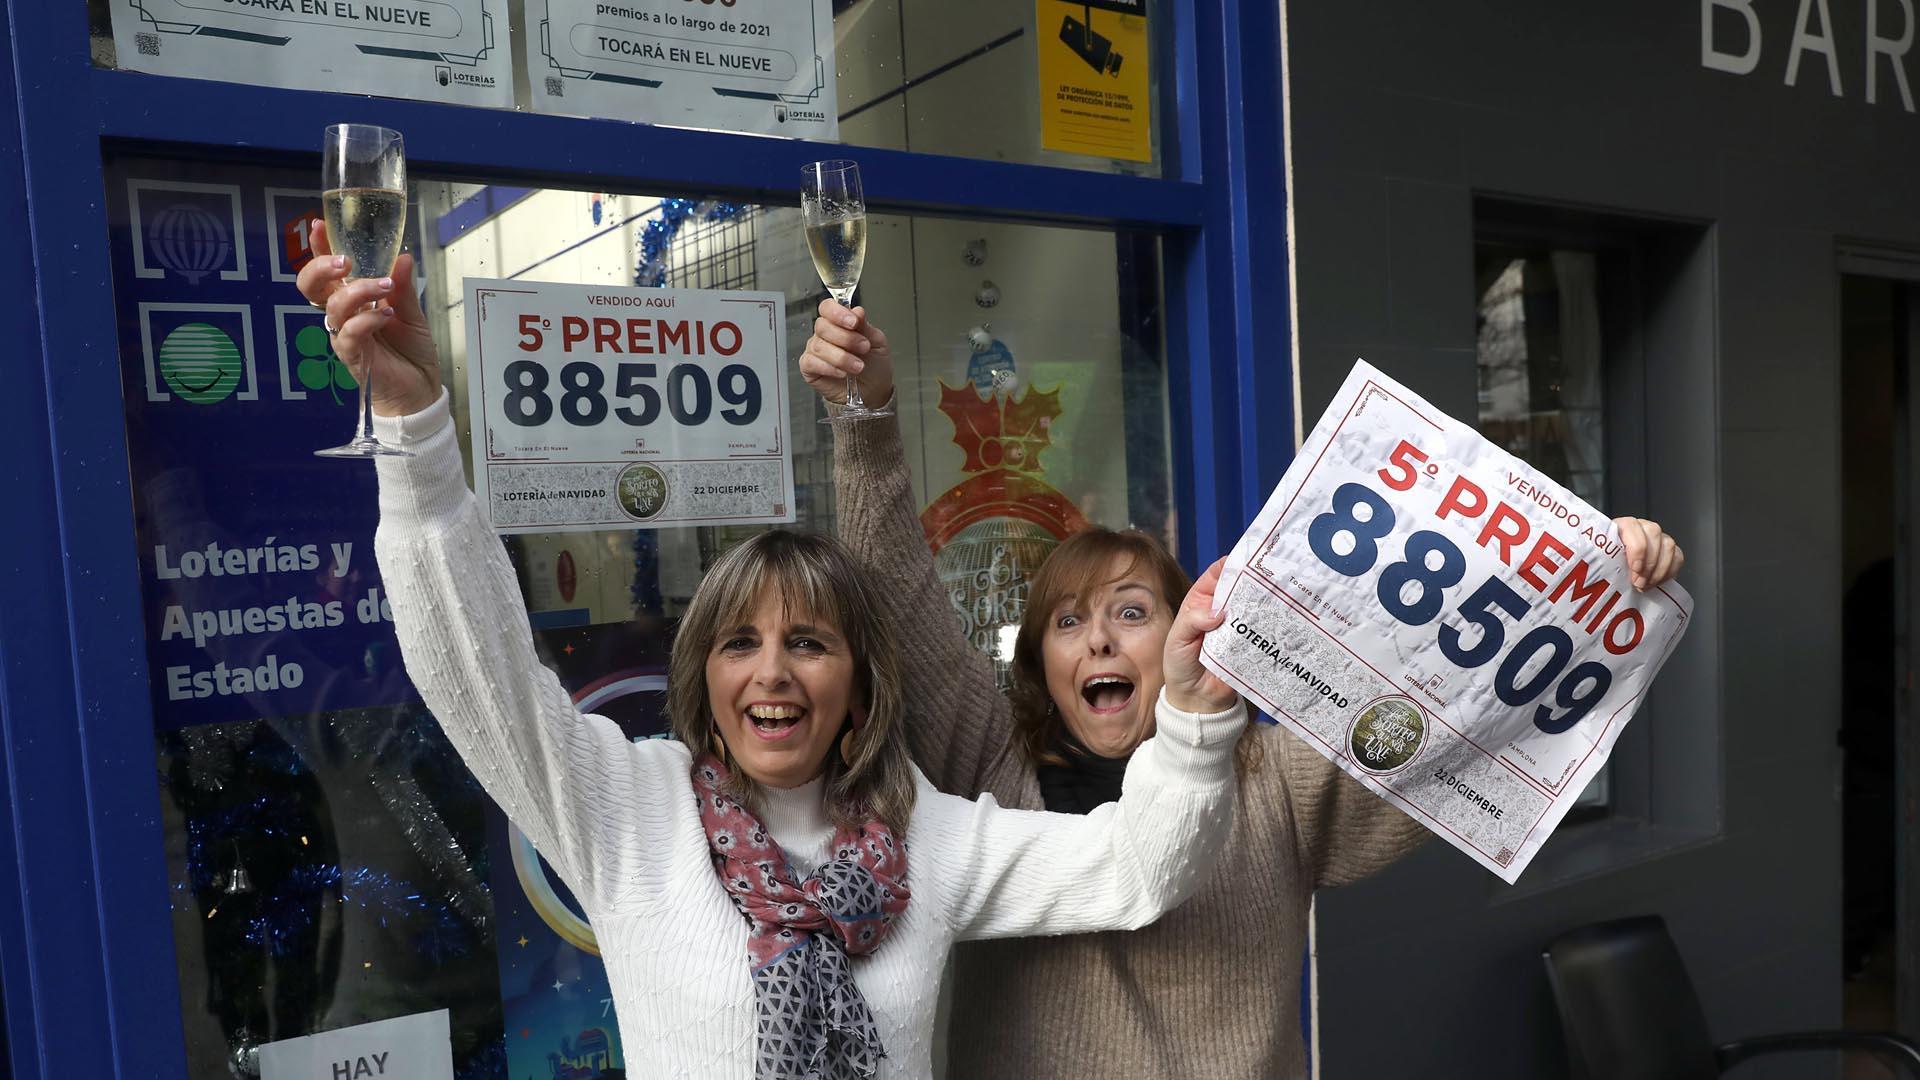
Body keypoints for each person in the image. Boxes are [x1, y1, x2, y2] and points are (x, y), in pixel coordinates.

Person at [297, 226, 1252, 1080]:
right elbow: (477, 669)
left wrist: (1196, 716)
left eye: (808, 642)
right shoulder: (630, 809)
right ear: (702, 676)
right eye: (739, 643)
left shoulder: (930, 838)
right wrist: (418, 432)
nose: (773, 672)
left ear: (858, 682)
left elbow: (1139, 869)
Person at [801, 300, 1687, 1079]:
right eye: (1067, 622)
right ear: (1040, 665)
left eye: (1131, 610)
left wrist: (1589, 581)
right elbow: (896, 601)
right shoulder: (991, 768)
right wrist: (862, 416)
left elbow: (1454, 712)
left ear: (1188, 632)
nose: (1100, 636)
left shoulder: (1273, 780)